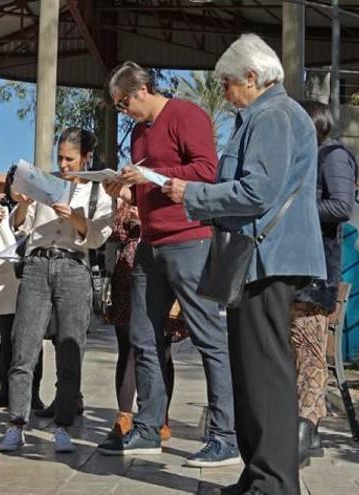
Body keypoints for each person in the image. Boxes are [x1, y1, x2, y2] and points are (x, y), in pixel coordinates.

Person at [163, 34, 326, 494]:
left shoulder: (273, 115)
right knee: (253, 372)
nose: (226, 93)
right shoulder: (271, 114)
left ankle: (273, 483)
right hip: (263, 258)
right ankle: (259, 474)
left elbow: (258, 192)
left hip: (268, 259)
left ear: (252, 78)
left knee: (266, 374)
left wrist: (190, 194)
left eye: (230, 84)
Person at [98, 61, 239, 467]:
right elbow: (149, 185)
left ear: (141, 89)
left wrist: (148, 175)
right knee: (143, 336)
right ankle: (147, 428)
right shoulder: (139, 134)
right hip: (150, 244)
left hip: (189, 241)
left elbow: (205, 171)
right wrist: (122, 189)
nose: (123, 111)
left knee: (209, 337)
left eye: (123, 103)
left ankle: (224, 436)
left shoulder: (186, 115)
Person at [0, 127, 113, 454]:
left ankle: (63, 425)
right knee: (24, 345)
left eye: (70, 158)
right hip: (36, 266)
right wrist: (21, 203)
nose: (62, 164)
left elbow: (98, 236)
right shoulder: (43, 182)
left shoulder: (97, 194)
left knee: (70, 348)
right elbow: (19, 225)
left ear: (86, 158)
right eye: (59, 157)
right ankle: (17, 422)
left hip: (74, 268)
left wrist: (76, 219)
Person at [292, 100, 357, 467]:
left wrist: (292, 207)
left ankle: (306, 429)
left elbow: (341, 207)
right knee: (298, 353)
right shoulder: (306, 158)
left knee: (309, 354)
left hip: (316, 275)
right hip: (297, 270)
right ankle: (306, 431)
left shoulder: (332, 156)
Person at [103, 200, 176, 442]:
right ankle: (124, 417)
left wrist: (146, 221)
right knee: (127, 347)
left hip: (160, 267)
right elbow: (109, 233)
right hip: (126, 273)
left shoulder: (166, 190)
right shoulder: (124, 200)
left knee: (162, 347)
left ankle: (161, 417)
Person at [0, 165, 45, 411]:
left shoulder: (39, 209)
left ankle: (32, 395)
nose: (20, 189)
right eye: (17, 183)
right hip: (5, 283)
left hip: (32, 282)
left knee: (33, 341)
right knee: (7, 340)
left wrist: (26, 208)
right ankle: (5, 392)